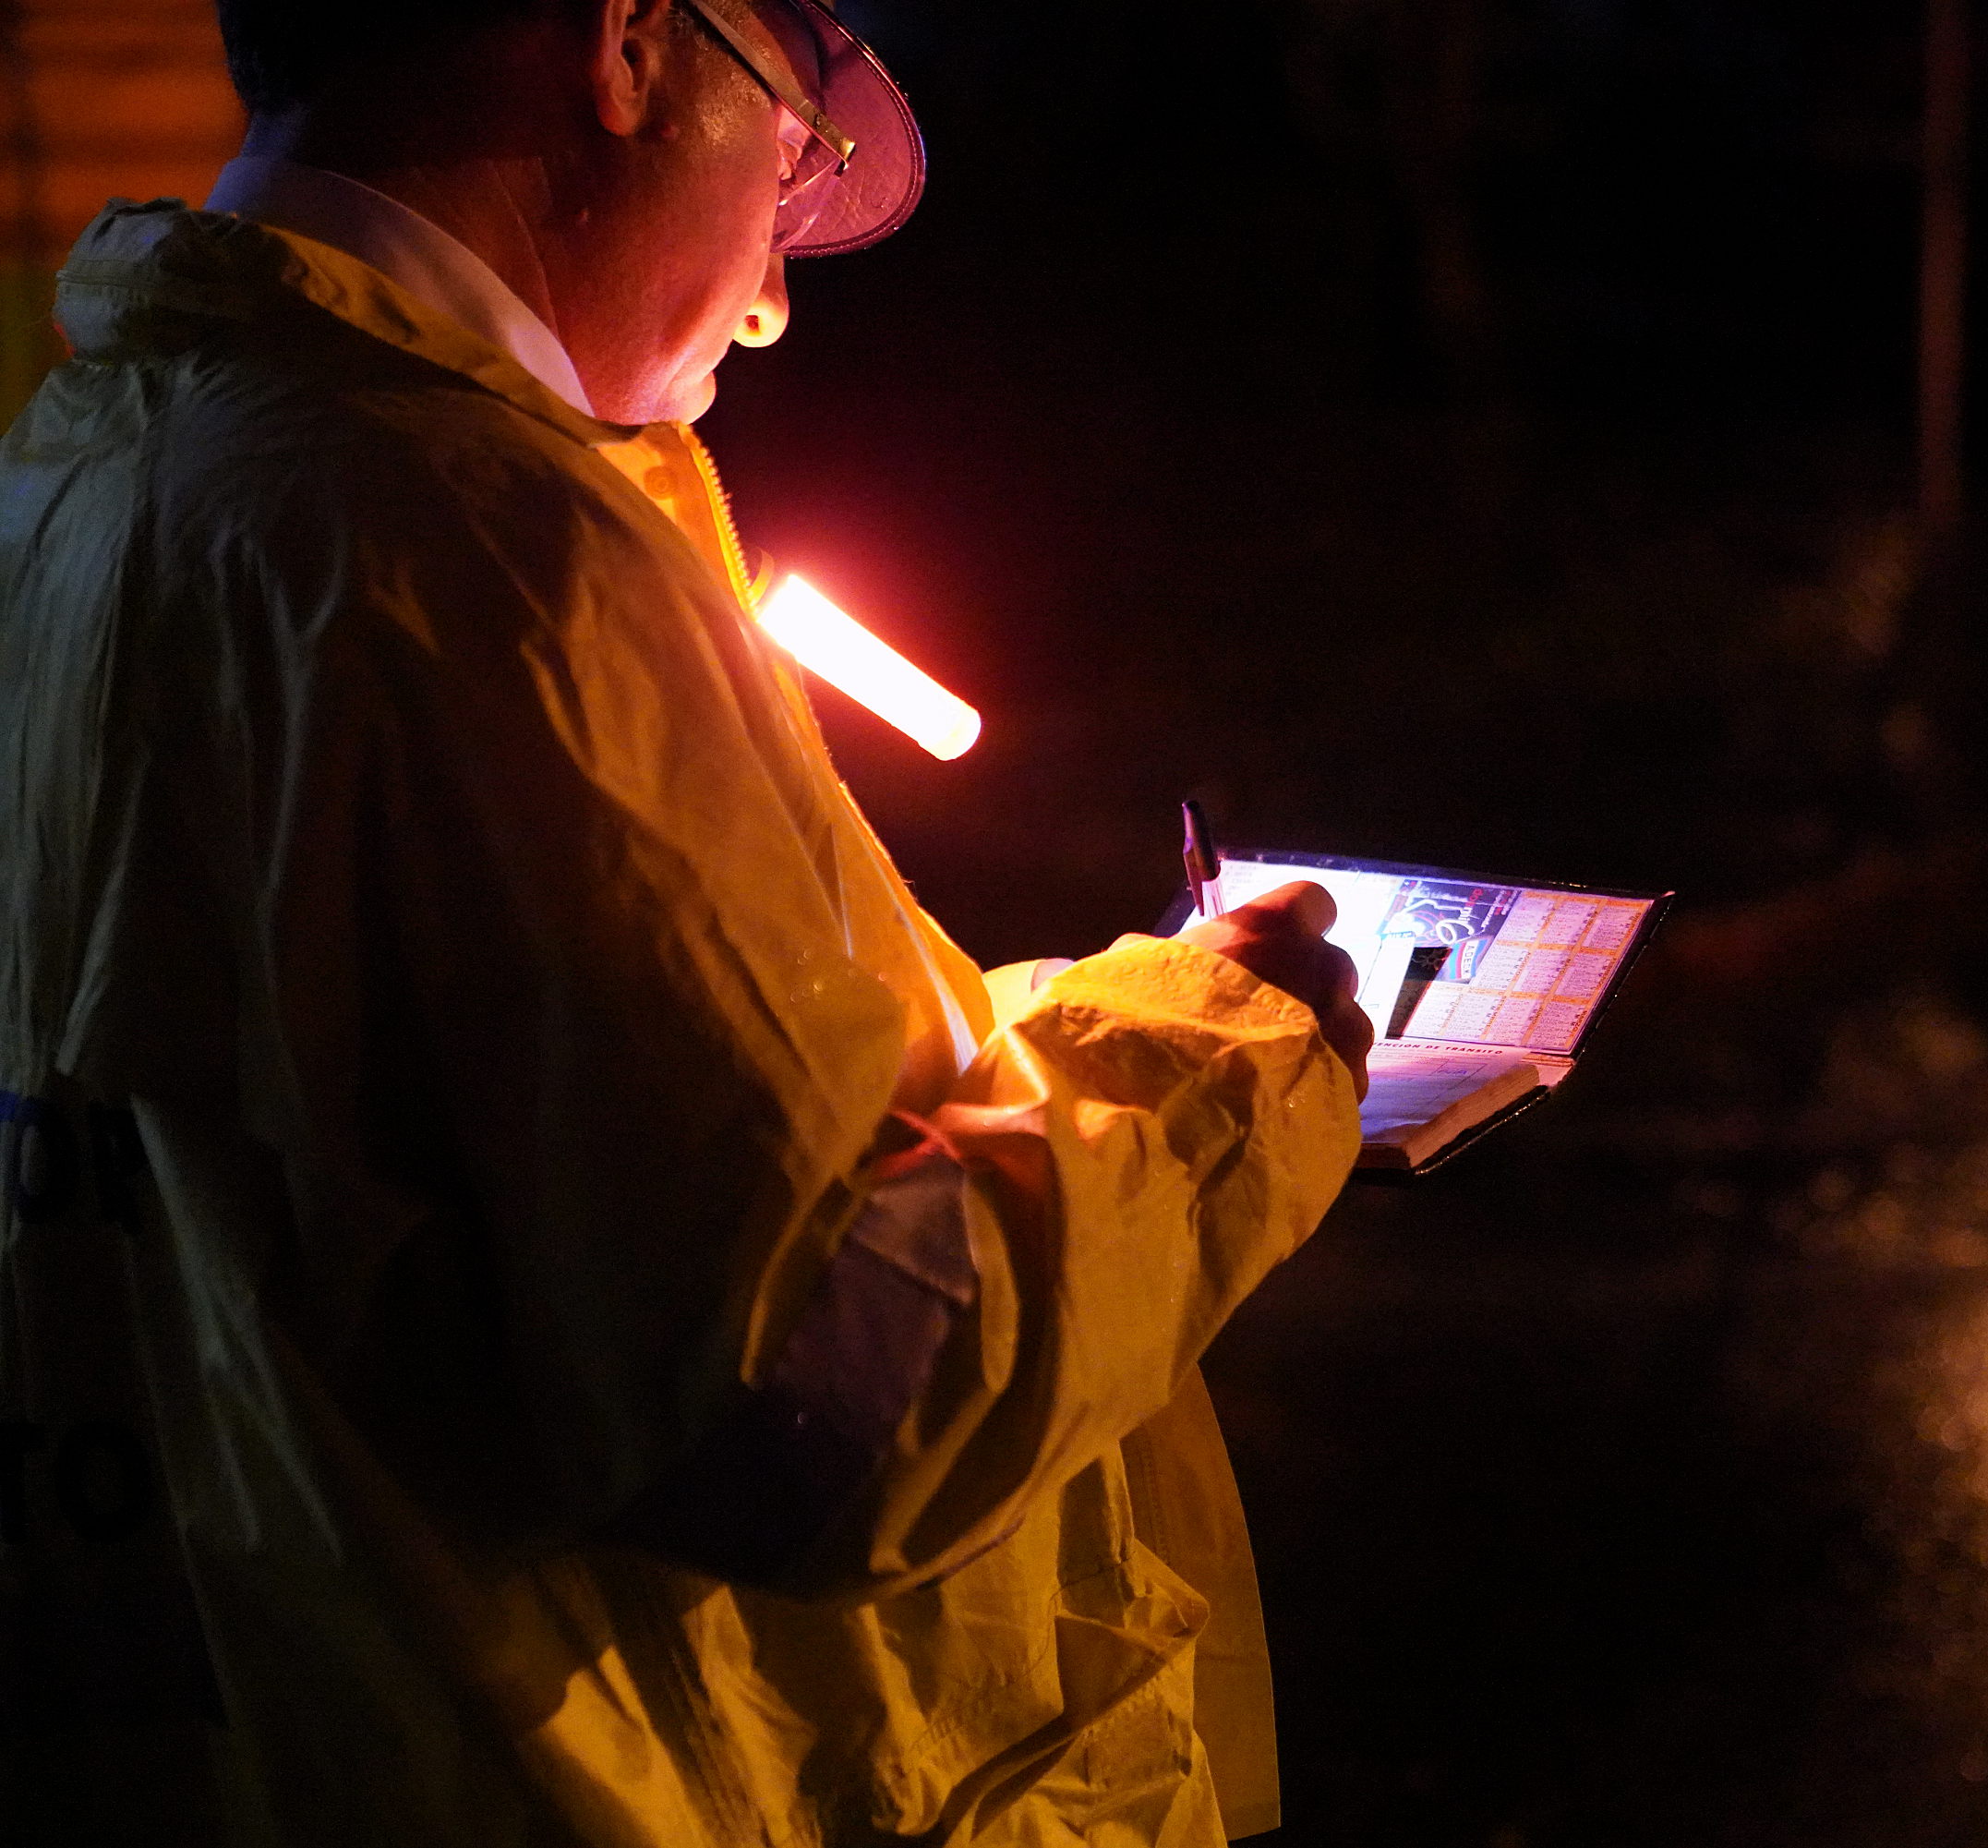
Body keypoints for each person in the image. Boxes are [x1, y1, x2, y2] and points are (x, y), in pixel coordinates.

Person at [0, 1, 1377, 1842]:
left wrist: (992, 1035)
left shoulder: (80, 478)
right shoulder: (482, 552)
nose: (773, 302)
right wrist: (1228, 1061)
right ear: (629, 47)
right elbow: (809, 1392)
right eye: (791, 142)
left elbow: (450, 1156)